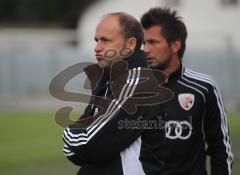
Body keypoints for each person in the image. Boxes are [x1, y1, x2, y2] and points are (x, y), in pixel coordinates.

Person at [62, 12, 172, 175]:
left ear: (130, 44)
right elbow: (76, 154)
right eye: (96, 40)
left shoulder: (137, 83)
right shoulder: (110, 81)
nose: (97, 48)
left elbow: (87, 143)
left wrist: (68, 133)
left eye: (105, 40)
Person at [139, 7, 234, 175]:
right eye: (144, 43)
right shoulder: (134, 89)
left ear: (175, 45)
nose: (146, 49)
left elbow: (220, 148)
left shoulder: (204, 87)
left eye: (153, 42)